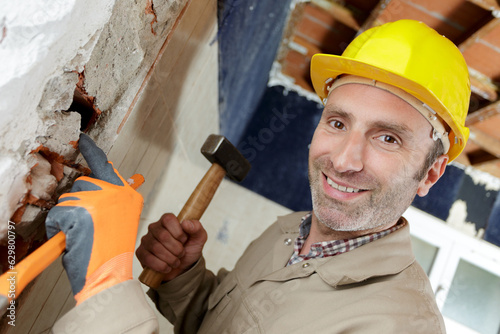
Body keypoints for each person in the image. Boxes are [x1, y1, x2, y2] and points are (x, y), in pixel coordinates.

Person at [50, 19, 470, 333]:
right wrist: (183, 278)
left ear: (430, 173)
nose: (344, 161)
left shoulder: (398, 326)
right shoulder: (289, 231)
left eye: (388, 139)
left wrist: (106, 284)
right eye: (338, 124)